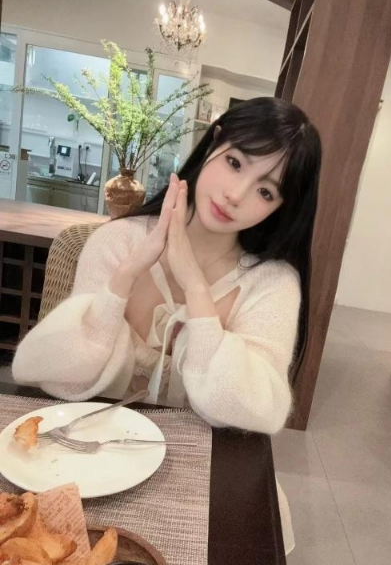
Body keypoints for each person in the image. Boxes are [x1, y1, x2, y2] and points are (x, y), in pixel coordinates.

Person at [12, 97, 321, 554]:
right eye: (235, 163)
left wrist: (195, 288)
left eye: (266, 192)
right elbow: (55, 376)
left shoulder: (271, 284)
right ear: (213, 143)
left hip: (209, 483)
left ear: (281, 208)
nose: (236, 194)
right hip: (87, 465)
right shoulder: (117, 243)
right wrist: (123, 279)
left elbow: (258, 411)